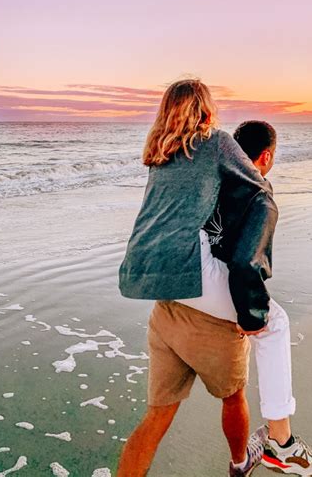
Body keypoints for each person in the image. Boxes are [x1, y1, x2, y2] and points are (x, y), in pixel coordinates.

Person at [117, 79, 272, 477]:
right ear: (205, 110)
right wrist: (248, 313)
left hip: (154, 284)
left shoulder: (159, 152)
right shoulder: (216, 142)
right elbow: (258, 186)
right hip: (192, 275)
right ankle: (252, 457)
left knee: (156, 417)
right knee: (258, 337)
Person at [179, 121, 312, 476]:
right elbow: (246, 265)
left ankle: (259, 449)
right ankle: (281, 442)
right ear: (265, 157)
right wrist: (251, 316)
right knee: (273, 322)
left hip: (172, 274)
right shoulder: (259, 195)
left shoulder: (212, 177)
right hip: (199, 283)